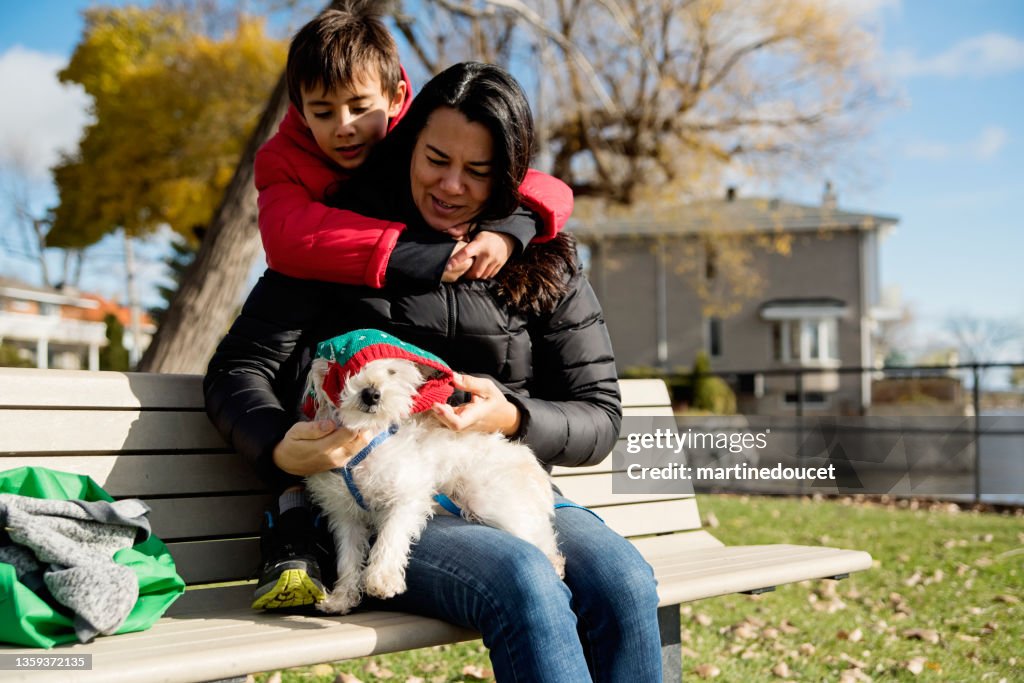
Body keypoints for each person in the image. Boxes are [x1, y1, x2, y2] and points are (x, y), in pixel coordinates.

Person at [205, 62, 662, 682]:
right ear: (408, 142)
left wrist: (513, 416)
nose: (451, 186)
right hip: (374, 504)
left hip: (499, 487)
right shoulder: (341, 235)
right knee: (524, 577)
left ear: (511, 175)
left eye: (478, 172)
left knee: (624, 579)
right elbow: (239, 366)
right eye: (435, 159)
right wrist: (276, 445)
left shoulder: (544, 258)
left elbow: (599, 415)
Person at [252, 5, 574, 609]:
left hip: (488, 472)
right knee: (525, 578)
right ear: (299, 110)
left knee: (621, 580)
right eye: (322, 112)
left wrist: (515, 227)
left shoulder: (436, 139)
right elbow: (292, 240)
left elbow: (548, 189)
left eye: (359, 109)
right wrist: (417, 254)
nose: (344, 128)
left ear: (399, 99)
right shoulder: (295, 173)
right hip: (377, 479)